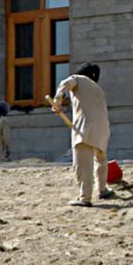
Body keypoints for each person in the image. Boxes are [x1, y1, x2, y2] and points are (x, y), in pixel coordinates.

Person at [52, 64, 112, 207]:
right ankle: (102, 189)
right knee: (101, 159)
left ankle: (85, 197)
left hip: (85, 128)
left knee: (83, 164)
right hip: (103, 128)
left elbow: (64, 83)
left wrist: (57, 100)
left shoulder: (78, 79)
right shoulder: (99, 89)